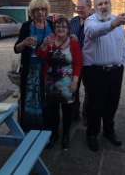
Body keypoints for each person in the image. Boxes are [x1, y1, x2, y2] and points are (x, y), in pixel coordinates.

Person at [82, 0, 125, 152]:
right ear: (95, 7)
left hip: (116, 72)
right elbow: (93, 32)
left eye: (106, 3)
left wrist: (122, 62)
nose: (103, 6)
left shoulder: (117, 20)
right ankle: (92, 134)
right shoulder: (91, 21)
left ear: (110, 4)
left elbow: (123, 45)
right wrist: (112, 24)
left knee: (112, 104)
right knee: (95, 106)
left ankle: (109, 131)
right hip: (96, 72)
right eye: (100, 4)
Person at [37, 16, 82, 150]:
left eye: (64, 26)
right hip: (51, 83)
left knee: (67, 111)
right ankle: (54, 134)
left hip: (67, 84)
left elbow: (79, 64)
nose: (61, 29)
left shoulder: (73, 43)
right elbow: (40, 56)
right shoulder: (50, 40)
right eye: (58, 26)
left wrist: (75, 81)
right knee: (53, 111)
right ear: (54, 28)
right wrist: (44, 44)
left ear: (68, 29)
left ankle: (66, 135)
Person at [14, 0, 53, 132]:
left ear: (46, 11)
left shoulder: (51, 25)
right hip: (31, 69)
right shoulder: (26, 26)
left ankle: (46, 128)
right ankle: (30, 129)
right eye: (36, 9)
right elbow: (16, 48)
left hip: (48, 68)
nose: (40, 12)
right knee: (30, 99)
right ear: (32, 12)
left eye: (42, 9)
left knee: (46, 99)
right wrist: (24, 43)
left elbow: (61, 40)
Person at [70, 0, 92, 124]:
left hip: (89, 62)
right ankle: (74, 113)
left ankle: (87, 115)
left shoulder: (95, 22)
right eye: (77, 7)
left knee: (89, 90)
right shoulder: (72, 21)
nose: (79, 10)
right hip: (74, 63)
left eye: (82, 8)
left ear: (89, 7)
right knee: (74, 87)